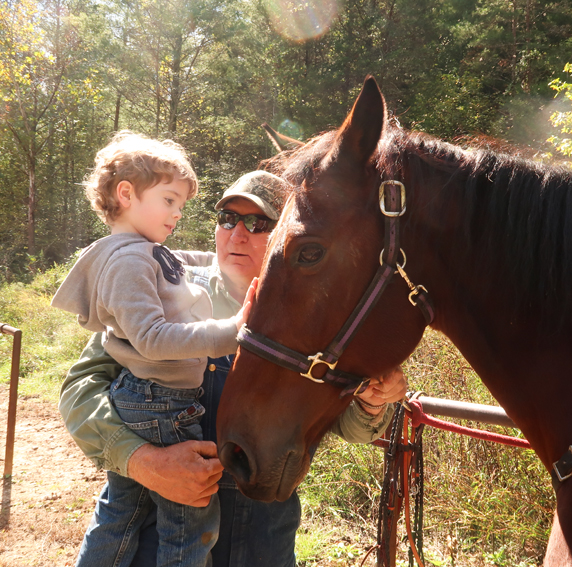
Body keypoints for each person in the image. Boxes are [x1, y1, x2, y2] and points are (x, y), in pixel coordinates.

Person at [60, 168, 407, 567]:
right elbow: (80, 390)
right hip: (157, 537)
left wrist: (373, 402)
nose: (237, 234)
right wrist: (143, 462)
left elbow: (347, 424)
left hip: (261, 540)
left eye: (258, 223)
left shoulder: (319, 319)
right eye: (227, 219)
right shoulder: (163, 287)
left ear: (286, 235)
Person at [53, 131, 257, 567]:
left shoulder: (146, 252)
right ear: (126, 194)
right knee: (188, 518)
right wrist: (234, 329)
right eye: (169, 200)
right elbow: (150, 338)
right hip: (161, 404)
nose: (177, 214)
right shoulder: (129, 261)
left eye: (258, 226)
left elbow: (195, 260)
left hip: (151, 399)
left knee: (119, 514)